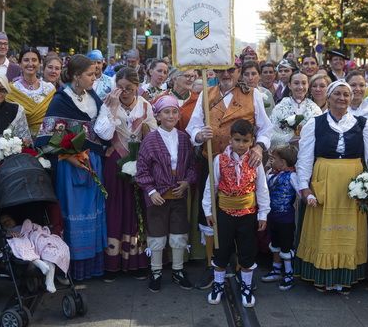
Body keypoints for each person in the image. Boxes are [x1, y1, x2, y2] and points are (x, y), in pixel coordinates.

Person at [187, 63, 274, 288]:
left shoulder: (253, 95)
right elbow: (192, 125)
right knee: (209, 216)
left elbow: (266, 128)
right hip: (212, 160)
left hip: (245, 163)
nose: (226, 75)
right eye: (221, 70)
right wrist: (198, 134)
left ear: (237, 72)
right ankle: (212, 265)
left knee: (242, 217)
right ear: (214, 72)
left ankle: (239, 266)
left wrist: (258, 148)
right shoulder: (206, 93)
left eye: (231, 71)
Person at [296, 81, 368, 293]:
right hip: (325, 181)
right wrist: (304, 187)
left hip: (353, 184)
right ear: (329, 97)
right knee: (324, 228)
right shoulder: (314, 124)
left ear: (351, 99)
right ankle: (323, 276)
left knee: (348, 232)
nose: (342, 98)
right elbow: (304, 158)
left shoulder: (364, 125)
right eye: (337, 94)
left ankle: (345, 276)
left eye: (346, 95)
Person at [36, 55, 107, 280]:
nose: (94, 78)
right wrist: (70, 156)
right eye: (90, 74)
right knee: (73, 214)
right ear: (76, 76)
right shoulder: (61, 100)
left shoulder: (93, 97)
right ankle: (69, 267)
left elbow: (101, 129)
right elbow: (50, 138)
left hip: (92, 162)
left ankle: (92, 266)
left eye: (95, 74)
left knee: (92, 214)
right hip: (70, 166)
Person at [93, 67, 157, 278]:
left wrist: (143, 157)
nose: (124, 92)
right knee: (115, 207)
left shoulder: (145, 105)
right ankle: (113, 262)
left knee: (136, 207)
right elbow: (103, 133)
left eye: (129, 88)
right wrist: (111, 107)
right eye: (120, 88)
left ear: (137, 87)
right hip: (114, 163)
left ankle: (137, 261)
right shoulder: (108, 104)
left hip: (140, 162)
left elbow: (153, 135)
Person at [203, 119, 269, 308]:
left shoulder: (255, 161)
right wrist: (208, 210)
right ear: (230, 140)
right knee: (221, 250)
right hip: (224, 213)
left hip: (248, 214)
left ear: (252, 141)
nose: (241, 145)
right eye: (237, 140)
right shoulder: (219, 160)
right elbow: (211, 186)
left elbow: (261, 188)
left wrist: (263, 213)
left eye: (245, 141)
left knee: (247, 251)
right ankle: (218, 284)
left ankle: (246, 287)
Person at [134, 95, 197, 292]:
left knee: (179, 233)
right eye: (166, 112)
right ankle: (156, 271)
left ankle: (178, 270)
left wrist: (187, 182)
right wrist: (151, 190)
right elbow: (142, 169)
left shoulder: (184, 138)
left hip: (178, 194)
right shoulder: (150, 140)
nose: (171, 115)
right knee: (157, 233)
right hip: (158, 196)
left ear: (179, 115)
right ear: (158, 115)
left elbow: (192, 166)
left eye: (174, 111)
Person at [259, 144, 299, 290]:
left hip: (285, 218)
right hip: (272, 216)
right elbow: (261, 182)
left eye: (273, 158)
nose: (271, 161)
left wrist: (309, 197)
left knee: (286, 245)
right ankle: (276, 269)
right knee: (274, 243)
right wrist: (265, 167)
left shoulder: (292, 176)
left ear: (283, 162)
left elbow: (300, 191)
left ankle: (288, 273)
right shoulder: (270, 173)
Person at [0, 213, 70, 293]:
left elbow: (33, 228)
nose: (7, 223)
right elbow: (9, 240)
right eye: (4, 223)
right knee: (17, 243)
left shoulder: (24, 225)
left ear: (13, 220)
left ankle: (49, 279)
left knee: (48, 244)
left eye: (8, 220)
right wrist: (10, 235)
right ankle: (39, 263)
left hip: (34, 236)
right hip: (24, 241)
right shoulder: (8, 232)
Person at [8, 48, 56, 136]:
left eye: (34, 60)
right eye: (26, 60)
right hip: (19, 141)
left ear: (39, 63)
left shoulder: (49, 89)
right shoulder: (12, 89)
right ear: (20, 64)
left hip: (46, 139)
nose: (30, 64)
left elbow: (54, 115)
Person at [270, 71, 321, 147]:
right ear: (289, 85)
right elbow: (270, 134)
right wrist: (289, 138)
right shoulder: (280, 107)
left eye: (304, 83)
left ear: (308, 85)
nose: (300, 87)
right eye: (296, 83)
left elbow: (320, 134)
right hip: (283, 153)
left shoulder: (315, 109)